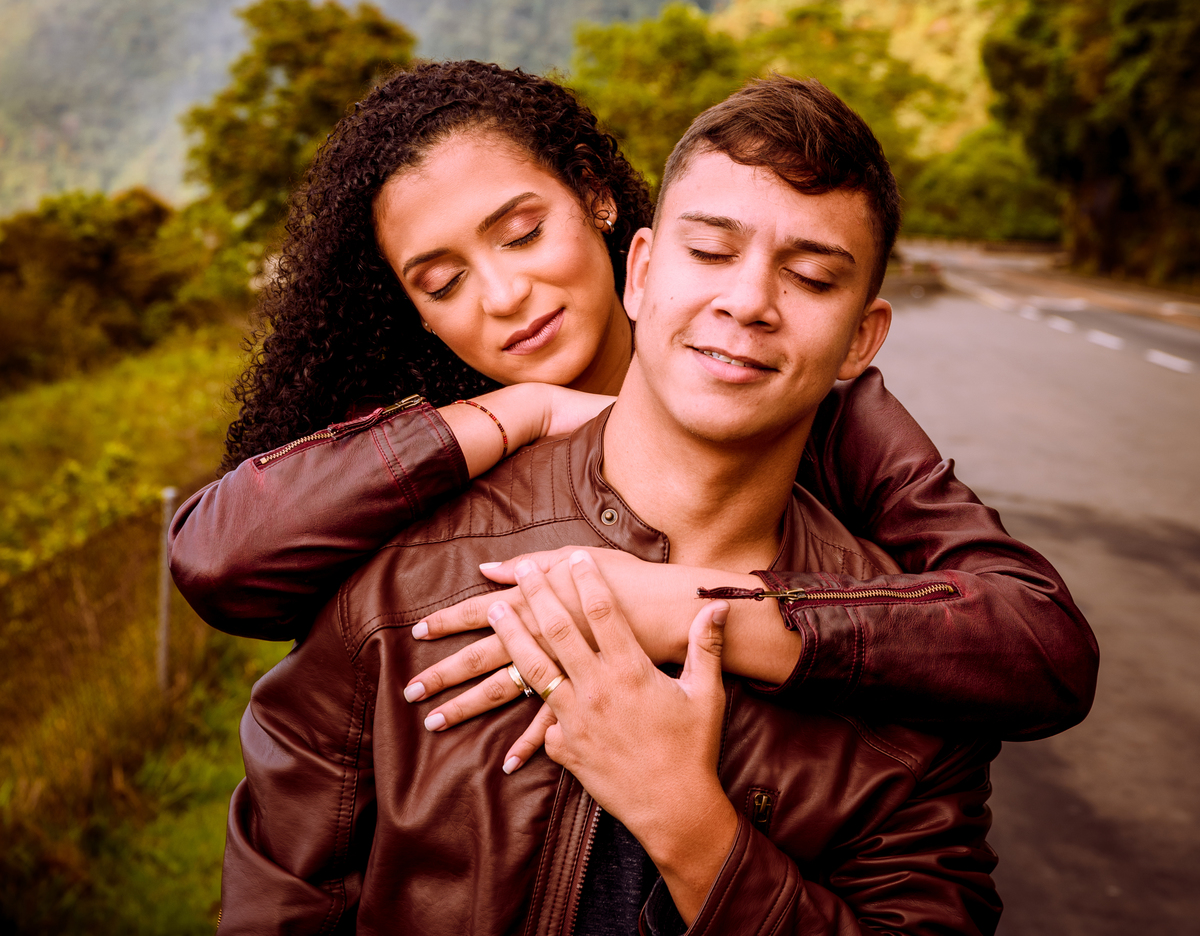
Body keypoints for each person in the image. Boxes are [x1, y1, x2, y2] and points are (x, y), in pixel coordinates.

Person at [219, 77, 1020, 932]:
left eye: (813, 276)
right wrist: (520, 411)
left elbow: (1035, 638)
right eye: (710, 254)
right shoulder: (402, 581)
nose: (748, 302)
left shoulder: (906, 683)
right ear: (642, 270)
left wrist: (689, 820)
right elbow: (283, 891)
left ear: (860, 340)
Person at [171, 61, 1096, 762]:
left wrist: (692, 610)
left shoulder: (811, 410)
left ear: (601, 199)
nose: (501, 295)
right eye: (443, 280)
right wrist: (520, 413)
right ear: (412, 308)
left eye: (523, 233)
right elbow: (217, 557)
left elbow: (1037, 646)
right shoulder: (437, 449)